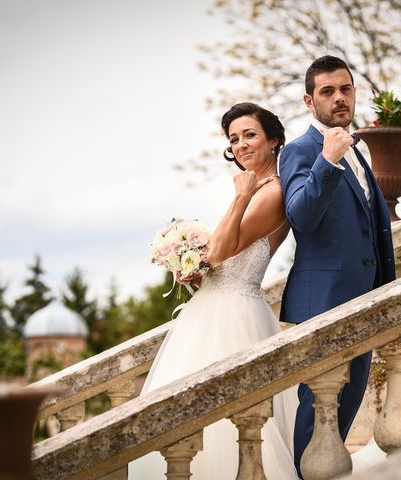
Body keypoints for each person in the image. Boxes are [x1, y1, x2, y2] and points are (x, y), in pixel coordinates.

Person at [128, 102, 298, 479]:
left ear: (273, 140)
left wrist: (239, 196)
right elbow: (222, 259)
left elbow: (220, 250)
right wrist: (191, 267)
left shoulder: (272, 193)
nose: (241, 145)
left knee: (229, 415)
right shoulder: (256, 188)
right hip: (210, 308)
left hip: (234, 315)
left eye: (250, 135)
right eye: (234, 139)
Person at [278, 55, 396, 478]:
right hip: (323, 302)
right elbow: (301, 216)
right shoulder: (299, 151)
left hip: (365, 299)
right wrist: (327, 162)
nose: (339, 98)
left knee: (345, 408)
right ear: (310, 101)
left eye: (345, 89)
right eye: (328, 91)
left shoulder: (358, 152)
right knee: (319, 410)